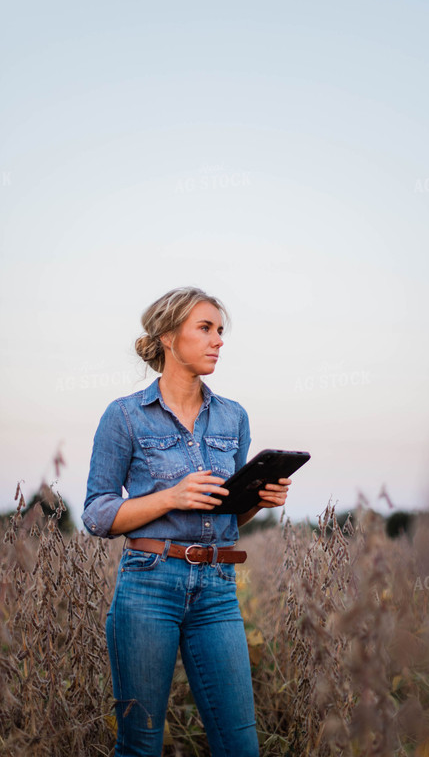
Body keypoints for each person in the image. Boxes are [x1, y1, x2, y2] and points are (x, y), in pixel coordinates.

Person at [82, 287, 291, 757]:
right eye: (205, 328)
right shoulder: (124, 417)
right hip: (148, 587)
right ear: (169, 337)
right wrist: (169, 498)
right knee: (140, 744)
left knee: (240, 745)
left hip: (217, 588)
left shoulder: (233, 417)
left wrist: (259, 500)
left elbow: (227, 514)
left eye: (220, 331)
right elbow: (96, 514)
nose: (218, 340)